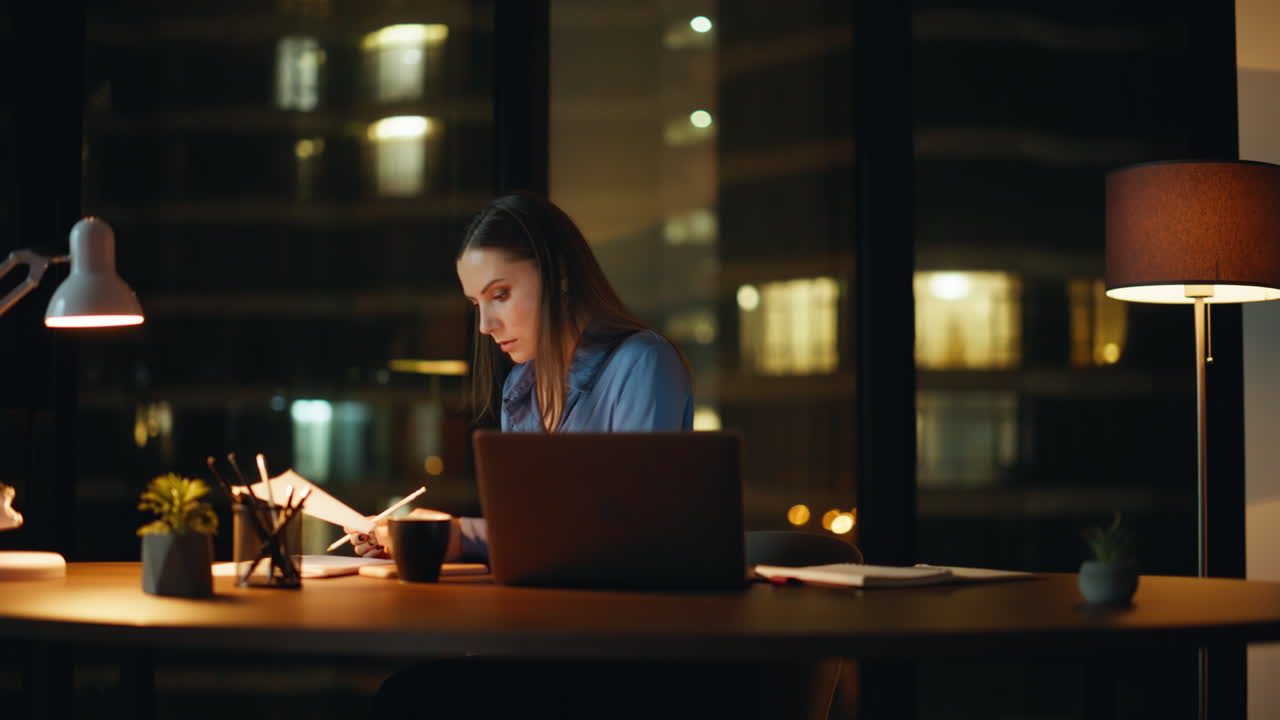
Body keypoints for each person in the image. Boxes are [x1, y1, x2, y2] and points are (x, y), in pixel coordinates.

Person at [349, 190, 692, 561]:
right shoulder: (521, 387)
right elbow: (530, 537)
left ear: (559, 273)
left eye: (500, 294)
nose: (485, 326)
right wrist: (420, 541)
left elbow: (631, 530)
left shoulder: (642, 363)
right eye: (477, 304)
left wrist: (459, 537)